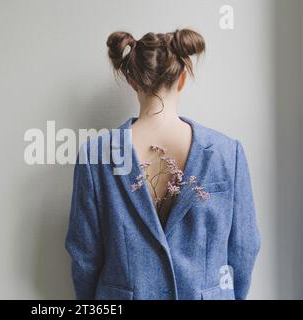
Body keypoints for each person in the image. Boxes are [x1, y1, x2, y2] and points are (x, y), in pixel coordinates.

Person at [65, 29, 261, 300]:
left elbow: (84, 256)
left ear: (131, 80)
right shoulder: (229, 153)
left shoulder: (94, 155)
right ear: (182, 79)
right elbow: (244, 248)